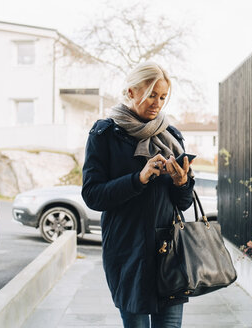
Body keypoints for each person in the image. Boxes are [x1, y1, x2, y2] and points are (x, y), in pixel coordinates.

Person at [81, 62, 194, 328]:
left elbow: (184, 203)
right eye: (151, 95)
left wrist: (181, 182)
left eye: (163, 97)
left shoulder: (172, 136)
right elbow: (93, 195)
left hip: (169, 252)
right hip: (127, 253)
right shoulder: (105, 134)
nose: (157, 103)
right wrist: (139, 178)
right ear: (131, 92)